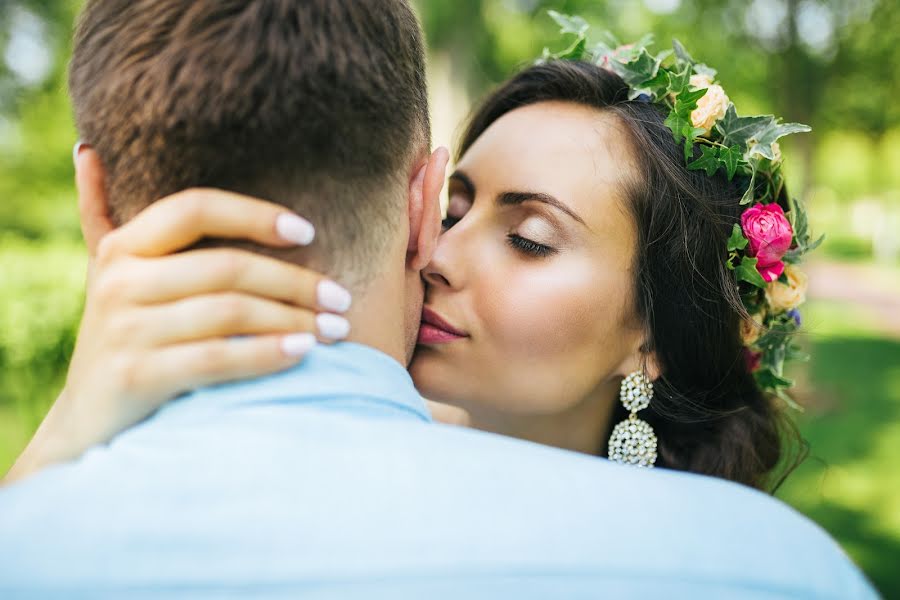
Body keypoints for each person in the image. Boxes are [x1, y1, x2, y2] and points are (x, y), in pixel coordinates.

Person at [0, 0, 876, 597]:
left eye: (530, 239)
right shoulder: (780, 568)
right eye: (452, 210)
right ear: (420, 205)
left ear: (652, 336)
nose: (441, 255)